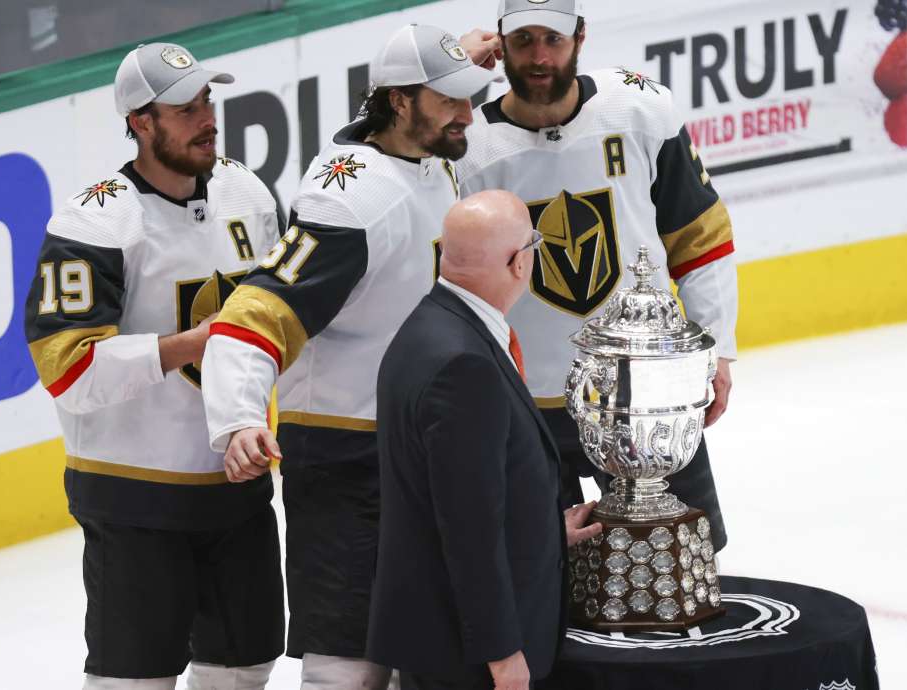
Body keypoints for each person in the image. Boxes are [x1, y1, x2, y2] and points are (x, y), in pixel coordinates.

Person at [201, 24, 501, 690]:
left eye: (469, 97)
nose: (468, 115)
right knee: (348, 666)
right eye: (449, 99)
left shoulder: (419, 153)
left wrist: (455, 72)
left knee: (417, 654)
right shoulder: (355, 203)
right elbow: (254, 315)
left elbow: (391, 137)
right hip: (348, 466)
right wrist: (237, 416)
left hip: (414, 454)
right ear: (399, 102)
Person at [23, 42, 284, 690]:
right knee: (133, 684)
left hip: (236, 488)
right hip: (134, 501)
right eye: (184, 108)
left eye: (206, 101)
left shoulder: (243, 192)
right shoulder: (97, 218)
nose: (206, 118)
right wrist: (187, 346)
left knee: (246, 667)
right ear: (141, 122)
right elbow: (67, 368)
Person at [457, 0, 738, 552]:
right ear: (499, 44)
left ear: (580, 38)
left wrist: (715, 348)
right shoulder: (464, 145)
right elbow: (375, 159)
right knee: (543, 581)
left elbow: (700, 238)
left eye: (553, 40)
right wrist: (454, 70)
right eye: (523, 40)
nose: (539, 56)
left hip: (647, 389)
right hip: (523, 403)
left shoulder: (637, 107)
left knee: (678, 565)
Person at [369, 191, 602, 690]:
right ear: (519, 262)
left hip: (443, 638)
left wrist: (542, 530)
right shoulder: (464, 365)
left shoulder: (428, 328)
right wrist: (501, 654)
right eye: (534, 245)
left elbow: (459, 497)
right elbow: (467, 529)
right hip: (465, 657)